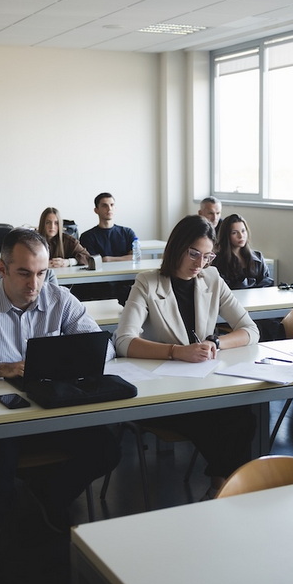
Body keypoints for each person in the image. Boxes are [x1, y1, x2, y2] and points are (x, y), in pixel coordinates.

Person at [0, 228, 120, 537]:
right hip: (1, 419)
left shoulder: (59, 298)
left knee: (107, 450)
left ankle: (51, 494)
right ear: (2, 269)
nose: (34, 284)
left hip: (53, 409)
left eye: (41, 273)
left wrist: (71, 359)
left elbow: (106, 347)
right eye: (24, 273)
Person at [114, 215, 259, 497]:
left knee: (243, 415)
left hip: (203, 383)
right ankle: (222, 488)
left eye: (207, 256)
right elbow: (123, 341)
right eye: (194, 254)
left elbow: (250, 329)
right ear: (177, 247)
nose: (199, 263)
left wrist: (216, 341)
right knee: (216, 421)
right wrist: (176, 352)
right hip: (162, 392)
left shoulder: (212, 278)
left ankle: (222, 487)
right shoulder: (148, 282)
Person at [211, 213, 273, 289]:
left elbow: (267, 282)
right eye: (234, 233)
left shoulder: (257, 257)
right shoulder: (218, 260)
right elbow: (224, 288)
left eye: (243, 231)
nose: (240, 236)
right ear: (226, 235)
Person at [79, 192, 137, 262]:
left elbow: (136, 256)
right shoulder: (87, 237)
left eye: (112, 205)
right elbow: (90, 260)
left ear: (115, 208)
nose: (109, 209)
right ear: (96, 210)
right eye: (104, 206)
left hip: (126, 269)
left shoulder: (127, 232)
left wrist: (107, 259)